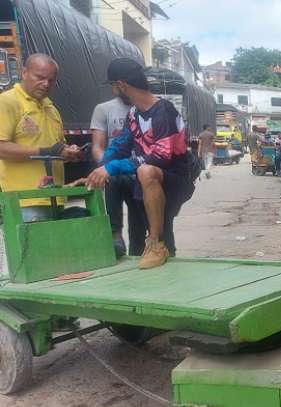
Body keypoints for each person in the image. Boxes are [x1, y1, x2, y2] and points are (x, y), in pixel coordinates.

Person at [86, 58, 196, 269]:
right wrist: (99, 171)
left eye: (112, 85)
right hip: (150, 181)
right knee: (120, 180)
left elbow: (161, 156)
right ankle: (117, 235)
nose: (113, 89)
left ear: (121, 85)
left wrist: (111, 167)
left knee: (145, 173)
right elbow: (121, 145)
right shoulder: (135, 113)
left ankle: (157, 245)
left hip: (175, 180)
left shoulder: (163, 111)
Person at [0, 54, 81, 222]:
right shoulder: (7, 101)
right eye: (40, 77)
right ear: (24, 73)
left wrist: (69, 153)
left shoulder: (51, 109)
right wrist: (45, 151)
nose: (46, 84)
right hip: (24, 201)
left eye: (51, 80)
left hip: (55, 196)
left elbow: (56, 150)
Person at [91, 73, 147, 256]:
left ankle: (139, 251)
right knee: (114, 182)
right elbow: (98, 146)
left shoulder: (145, 108)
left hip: (140, 171)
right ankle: (115, 235)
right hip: (115, 171)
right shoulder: (103, 109)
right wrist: (104, 169)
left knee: (138, 220)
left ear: (121, 85)